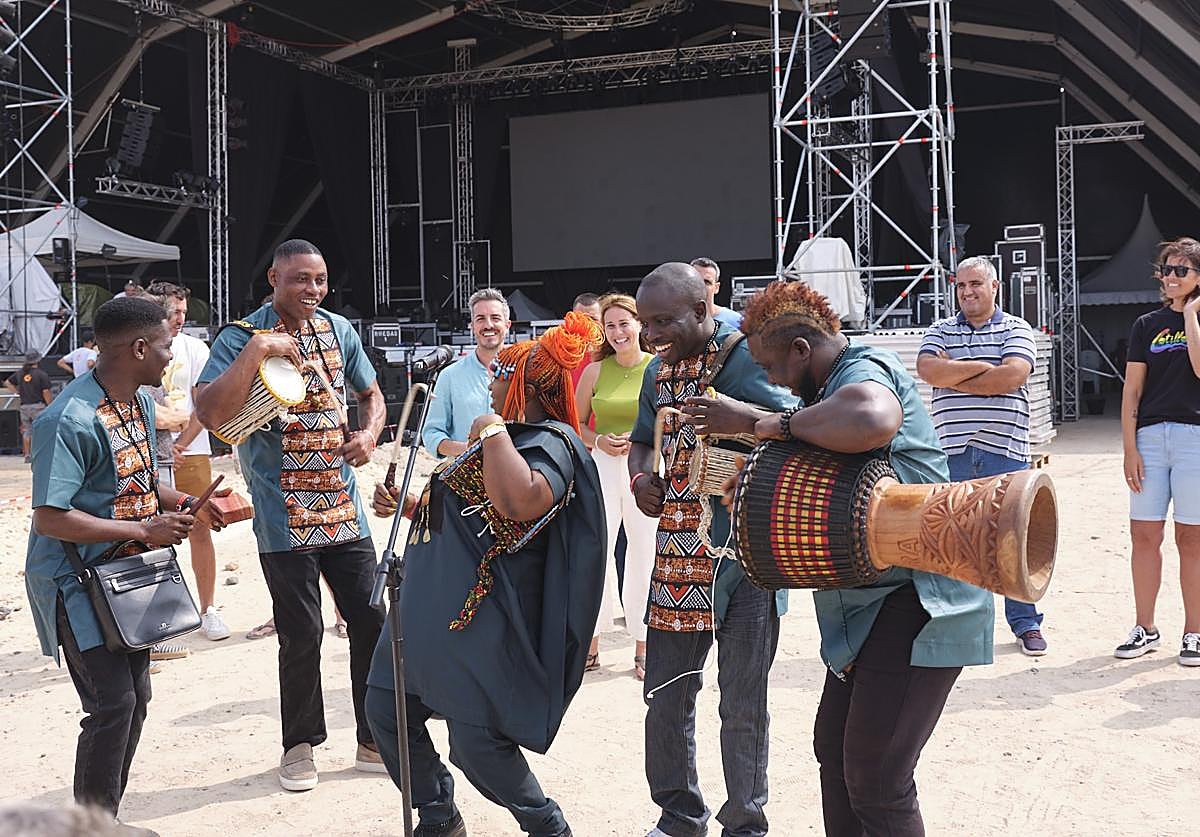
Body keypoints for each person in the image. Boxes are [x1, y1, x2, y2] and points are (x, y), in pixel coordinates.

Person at [717, 280, 993, 836]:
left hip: (923, 601)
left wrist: (768, 424)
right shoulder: (817, 395)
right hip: (871, 609)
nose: (770, 379)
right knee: (835, 754)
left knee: (877, 776)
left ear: (801, 350)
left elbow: (871, 419)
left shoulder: (863, 368)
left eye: (772, 366)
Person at [365, 311, 605, 837]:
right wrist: (407, 505)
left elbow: (521, 502)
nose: (491, 382)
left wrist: (490, 429)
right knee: (385, 707)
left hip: (479, 614)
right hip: (428, 602)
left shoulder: (553, 442)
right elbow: (470, 514)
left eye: (501, 375)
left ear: (523, 385)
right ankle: (438, 812)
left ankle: (546, 825)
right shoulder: (500, 441)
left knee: (475, 744)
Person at [194, 239, 388, 790]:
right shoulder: (238, 334)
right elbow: (209, 411)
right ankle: (299, 746)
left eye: (320, 279)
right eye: (301, 279)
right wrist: (256, 352)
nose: (313, 290)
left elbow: (371, 394)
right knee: (301, 632)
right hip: (284, 512)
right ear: (273, 279)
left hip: (343, 506)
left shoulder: (338, 329)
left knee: (371, 619)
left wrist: (370, 434)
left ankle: (373, 738)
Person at [24, 296, 225, 823]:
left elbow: (131, 480)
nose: (170, 358)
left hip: (125, 579)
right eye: (164, 347)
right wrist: (144, 528)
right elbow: (50, 517)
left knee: (134, 698)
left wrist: (180, 502)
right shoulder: (66, 418)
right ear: (138, 348)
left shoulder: (135, 402)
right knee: (111, 705)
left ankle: (103, 820)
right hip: (77, 583)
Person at [625, 263, 795, 837]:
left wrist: (743, 424)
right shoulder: (656, 371)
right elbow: (643, 440)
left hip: (741, 560)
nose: (651, 335)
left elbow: (795, 430)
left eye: (664, 321)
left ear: (702, 310)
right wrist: (640, 478)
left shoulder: (749, 356)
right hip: (675, 557)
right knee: (666, 698)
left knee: (742, 703)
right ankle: (679, 817)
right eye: (646, 323)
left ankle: (745, 823)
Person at [916, 256, 1046, 655]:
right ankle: (966, 626)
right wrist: (981, 370)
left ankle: (1026, 623)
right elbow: (928, 371)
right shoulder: (940, 329)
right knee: (957, 540)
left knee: (1013, 537)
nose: (968, 292)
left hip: (1003, 449)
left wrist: (956, 373)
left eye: (975, 284)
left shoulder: (1016, 327)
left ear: (994, 287)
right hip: (952, 452)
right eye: (961, 286)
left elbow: (1012, 376)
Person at [1115, 237, 1200, 666]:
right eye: (1166, 269)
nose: (1170, 277)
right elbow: (1132, 392)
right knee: (1144, 535)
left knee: (1192, 539)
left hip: (1194, 439)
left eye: (1181, 270)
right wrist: (1129, 447)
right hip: (1150, 438)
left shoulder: (1197, 318)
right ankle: (1145, 626)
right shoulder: (1145, 325)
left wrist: (1191, 317)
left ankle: (1195, 632)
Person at [574, 293, 656, 679]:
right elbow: (575, 424)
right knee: (597, 550)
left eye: (625, 323)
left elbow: (671, 420)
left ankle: (642, 644)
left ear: (640, 324)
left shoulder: (658, 367)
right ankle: (591, 642)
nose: (618, 331)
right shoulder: (594, 370)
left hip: (644, 467)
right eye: (610, 325)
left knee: (644, 552)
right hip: (602, 465)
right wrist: (598, 441)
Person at [146, 281, 229, 642]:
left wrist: (179, 443)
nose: (181, 318)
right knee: (150, 532)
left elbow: (204, 405)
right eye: (174, 311)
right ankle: (158, 619)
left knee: (200, 528)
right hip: (151, 453)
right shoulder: (144, 346)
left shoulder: (195, 347)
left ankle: (208, 608)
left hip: (192, 450)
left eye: (183, 311)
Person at [422, 288, 511, 459]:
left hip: (515, 477)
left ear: (507, 325)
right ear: (472, 327)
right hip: (464, 478)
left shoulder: (524, 372)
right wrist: (468, 449)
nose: (488, 325)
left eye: (495, 318)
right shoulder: (449, 376)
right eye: (480, 319)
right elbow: (432, 434)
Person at [6, 350, 53, 462]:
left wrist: (18, 392)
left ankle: (27, 455)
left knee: (27, 431)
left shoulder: (20, 373)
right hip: (38, 407)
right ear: (37, 360)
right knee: (41, 430)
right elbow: (46, 392)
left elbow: (7, 382)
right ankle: (41, 454)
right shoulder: (41, 374)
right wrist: (50, 405)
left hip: (24, 406)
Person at [691, 257, 742, 330]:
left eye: (707, 282)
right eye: (696, 280)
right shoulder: (677, 321)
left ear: (716, 287)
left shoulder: (736, 321)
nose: (701, 286)